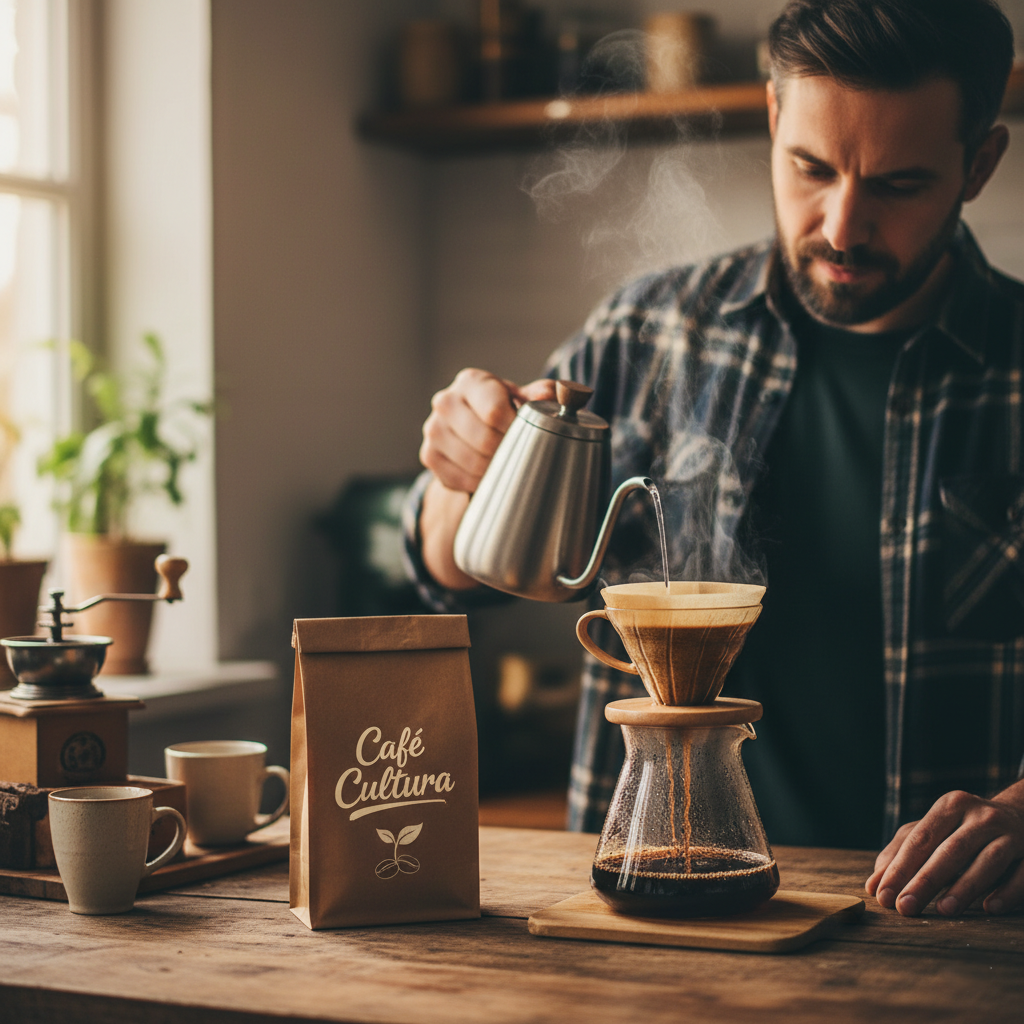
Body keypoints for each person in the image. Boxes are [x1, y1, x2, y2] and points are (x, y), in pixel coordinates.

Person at [404, 0, 1024, 918]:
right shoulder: (647, 330)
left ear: (979, 164)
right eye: (811, 168)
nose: (843, 227)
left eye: (899, 184)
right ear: (773, 117)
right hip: (648, 909)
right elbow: (450, 569)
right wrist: (464, 474)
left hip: (938, 927)